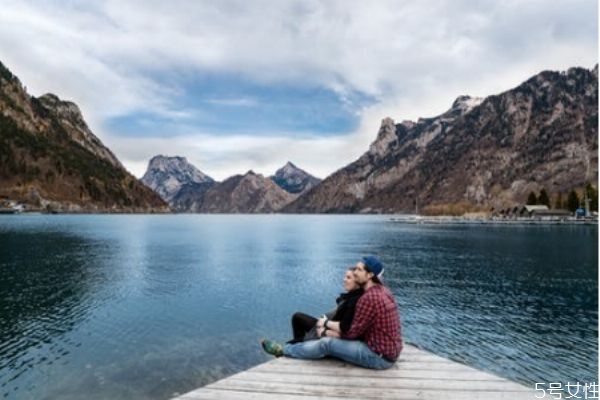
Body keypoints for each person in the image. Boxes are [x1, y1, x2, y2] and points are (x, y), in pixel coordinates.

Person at [261, 256, 402, 370]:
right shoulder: (383, 291)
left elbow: (351, 333)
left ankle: (283, 350)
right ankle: (292, 348)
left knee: (327, 344)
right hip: (389, 351)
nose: (355, 272)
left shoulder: (369, 298)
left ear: (370, 275)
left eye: (359, 269)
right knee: (327, 339)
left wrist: (325, 330)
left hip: (378, 357)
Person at [288, 267, 364, 344]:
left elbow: (344, 327)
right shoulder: (350, 297)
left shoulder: (353, 301)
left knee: (293, 337)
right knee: (297, 318)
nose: (344, 280)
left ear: (357, 282)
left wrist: (324, 326)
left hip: (328, 330)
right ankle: (300, 344)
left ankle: (300, 345)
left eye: (348, 278)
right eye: (345, 277)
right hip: (327, 326)